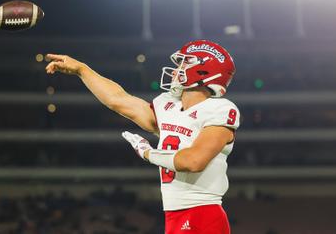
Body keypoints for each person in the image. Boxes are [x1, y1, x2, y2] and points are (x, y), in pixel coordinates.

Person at [45, 40, 240, 234]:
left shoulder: (220, 109)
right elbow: (118, 99)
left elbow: (193, 161)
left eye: (184, 63)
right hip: (175, 215)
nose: (176, 69)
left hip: (202, 215)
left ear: (205, 70)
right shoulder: (168, 106)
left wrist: (147, 153)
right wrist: (82, 70)